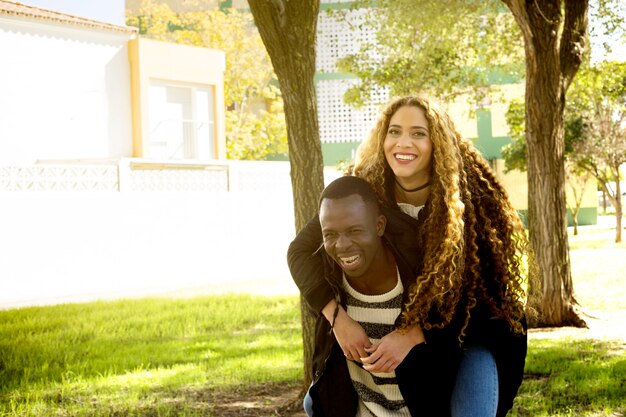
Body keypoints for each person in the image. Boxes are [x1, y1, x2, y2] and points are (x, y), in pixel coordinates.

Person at [288, 96, 533, 417]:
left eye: (418, 133)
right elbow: (301, 251)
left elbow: (485, 304)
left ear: (437, 142)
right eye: (394, 131)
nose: (403, 142)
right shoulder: (366, 193)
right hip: (394, 341)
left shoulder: (470, 204)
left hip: (467, 335)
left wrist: (414, 333)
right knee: (320, 402)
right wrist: (337, 318)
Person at [303, 175, 460, 417]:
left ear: (379, 226)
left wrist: (414, 333)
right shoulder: (330, 288)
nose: (342, 245)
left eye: (354, 231)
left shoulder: (421, 279)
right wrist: (337, 318)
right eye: (330, 235)